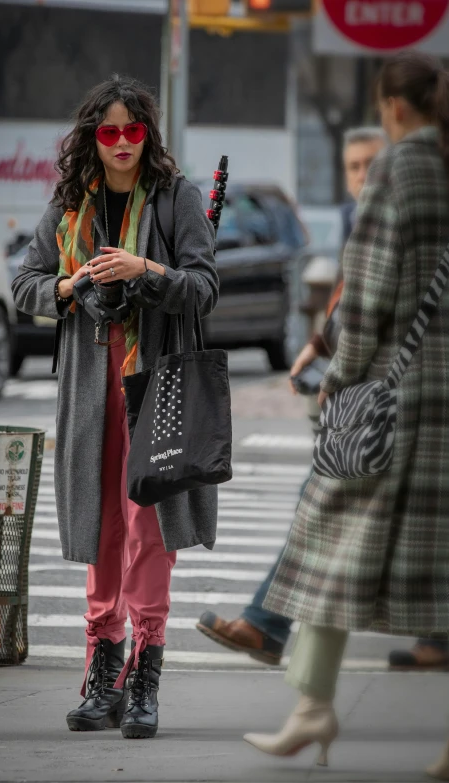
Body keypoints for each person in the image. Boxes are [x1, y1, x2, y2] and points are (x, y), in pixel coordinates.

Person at [243, 51, 449, 780]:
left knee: (326, 535)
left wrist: (341, 374)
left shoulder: (398, 167)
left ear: (393, 107)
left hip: (390, 397)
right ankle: (313, 708)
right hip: (440, 392)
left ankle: (311, 708)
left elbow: (366, 291)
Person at [12, 75, 219, 740]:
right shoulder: (72, 204)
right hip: (90, 392)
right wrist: (72, 285)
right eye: (110, 131)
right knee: (103, 526)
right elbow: (24, 285)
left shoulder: (176, 198)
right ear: (92, 139)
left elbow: (205, 287)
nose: (124, 142)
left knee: (147, 526)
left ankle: (143, 673)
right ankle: (102, 676)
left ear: (148, 134)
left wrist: (146, 273)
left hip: (153, 387)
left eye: (134, 130)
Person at [196, 126, 386, 667]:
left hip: (387, 399)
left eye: (371, 165)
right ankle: (271, 632)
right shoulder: (362, 225)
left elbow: (380, 313)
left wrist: (339, 369)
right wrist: (320, 346)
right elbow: (352, 304)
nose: (361, 178)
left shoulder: (401, 224)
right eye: (352, 167)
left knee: (324, 505)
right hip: (370, 396)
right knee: (332, 510)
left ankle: (269, 630)